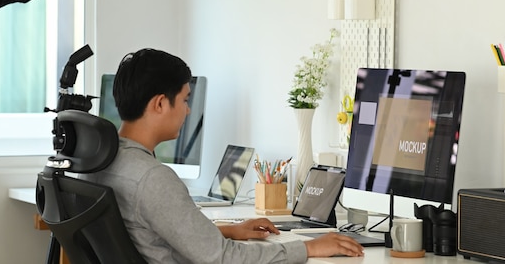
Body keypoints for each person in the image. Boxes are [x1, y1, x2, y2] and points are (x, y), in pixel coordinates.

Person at [79, 48, 364, 263]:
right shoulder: (152, 178)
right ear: (160, 103)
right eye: (185, 100)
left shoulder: (103, 162)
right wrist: (308, 247)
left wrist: (227, 230)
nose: (188, 111)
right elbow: (221, 259)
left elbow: (152, 231)